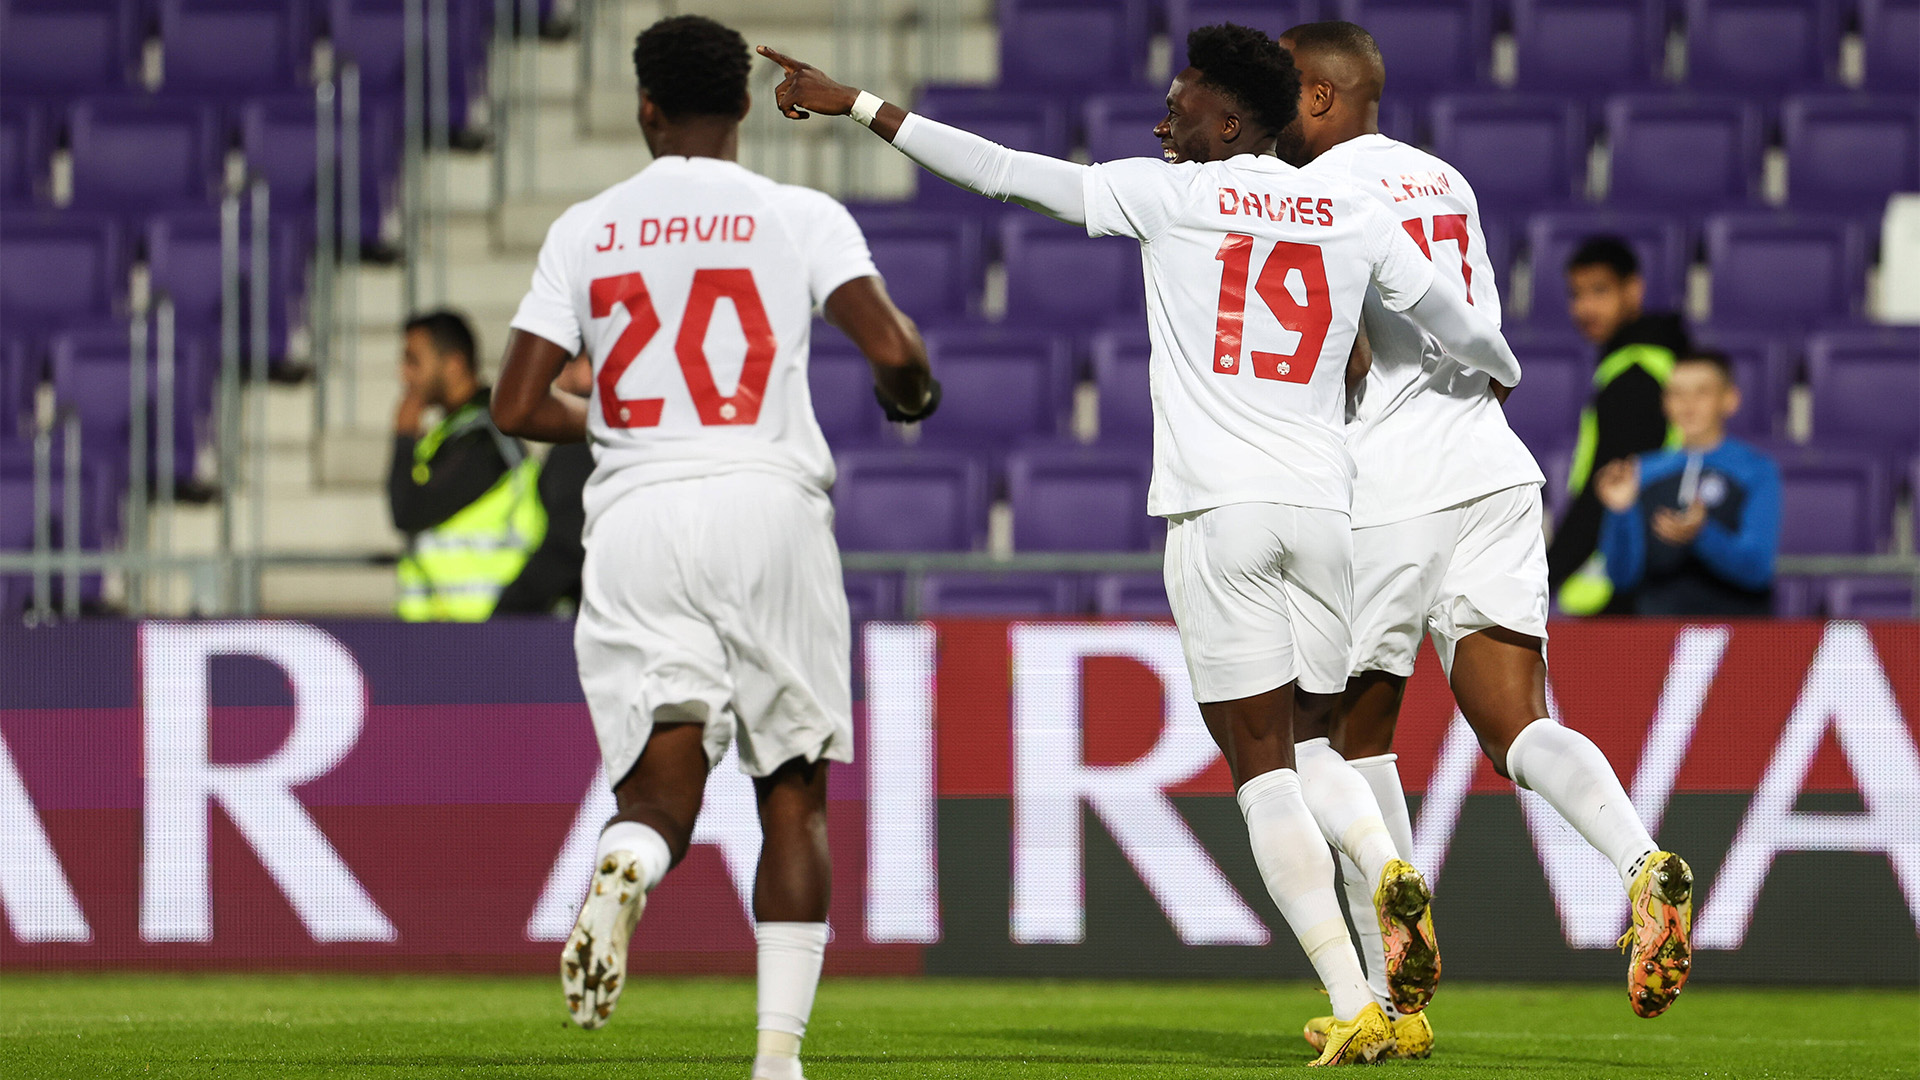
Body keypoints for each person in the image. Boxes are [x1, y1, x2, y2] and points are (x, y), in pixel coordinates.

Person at [762, 22, 1529, 1064]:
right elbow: (1454, 318)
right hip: (1325, 511)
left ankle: (1355, 995)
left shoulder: (1176, 196)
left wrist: (859, 105)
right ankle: (1385, 863)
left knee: (1261, 771)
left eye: (1182, 101)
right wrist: (1503, 367)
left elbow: (1001, 174)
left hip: (1220, 512)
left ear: (1229, 119)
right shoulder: (1353, 205)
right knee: (1317, 744)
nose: (1165, 115)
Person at [488, 16, 937, 1080]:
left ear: (645, 108)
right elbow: (896, 351)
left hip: (637, 515)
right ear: (742, 108)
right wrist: (907, 393)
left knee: (658, 786)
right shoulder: (796, 215)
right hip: (763, 503)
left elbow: (514, 403)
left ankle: (626, 863)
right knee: (791, 787)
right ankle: (776, 1061)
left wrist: (610, 423)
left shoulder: (586, 230)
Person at [1276, 21, 1695, 1052]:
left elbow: (1344, 355)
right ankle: (1641, 861)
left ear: (1322, 99)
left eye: (1278, 90)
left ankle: (1395, 992)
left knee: (1339, 738)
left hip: (1389, 483)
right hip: (1494, 470)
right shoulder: (1446, 179)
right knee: (1518, 725)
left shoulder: (1319, 196)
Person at [1548, 237, 1691, 615]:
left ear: (1634, 290)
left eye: (1599, 290)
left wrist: (1547, 572)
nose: (1585, 307)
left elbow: (1609, 480)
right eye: (1576, 294)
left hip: (1630, 579)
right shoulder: (1657, 360)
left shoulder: (1635, 372)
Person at [1597, 351, 1781, 616]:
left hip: (1737, 634)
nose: (1688, 404)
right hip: (1657, 635)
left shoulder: (1756, 469)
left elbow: (1757, 570)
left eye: (1702, 392)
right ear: (1664, 403)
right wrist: (1621, 511)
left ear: (1729, 399)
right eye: (1677, 393)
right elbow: (1621, 577)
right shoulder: (1641, 470)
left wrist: (1701, 533)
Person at [389, 310, 545, 621]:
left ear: (454, 364)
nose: (404, 374)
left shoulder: (488, 436)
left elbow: (409, 510)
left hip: (488, 630)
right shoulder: (453, 432)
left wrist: (404, 440)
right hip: (448, 627)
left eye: (413, 360)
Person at [493, 356, 595, 616]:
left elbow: (567, 544)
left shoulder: (582, 443)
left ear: (587, 366)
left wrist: (508, 614)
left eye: (565, 362)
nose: (555, 377)